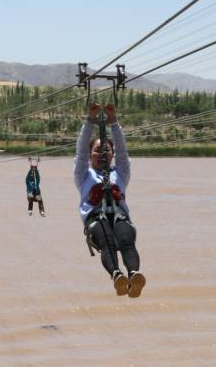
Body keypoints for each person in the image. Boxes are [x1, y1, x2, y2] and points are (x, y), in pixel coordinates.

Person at [73, 103, 146, 298]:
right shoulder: (83, 175)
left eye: (106, 150)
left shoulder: (121, 173)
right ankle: (117, 276)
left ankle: (133, 274)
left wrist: (114, 122)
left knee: (126, 239)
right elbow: (80, 151)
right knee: (107, 242)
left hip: (119, 216)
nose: (102, 154)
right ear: (90, 157)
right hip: (96, 219)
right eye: (97, 151)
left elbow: (123, 152)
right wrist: (90, 121)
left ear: (112, 154)